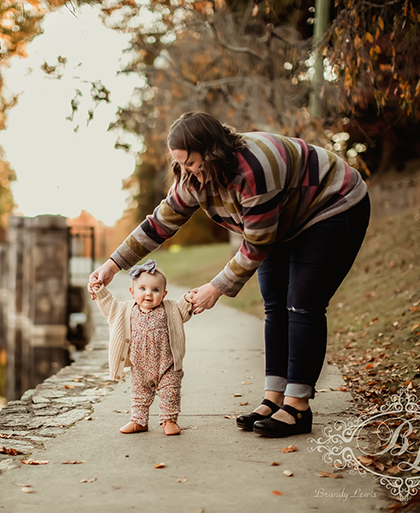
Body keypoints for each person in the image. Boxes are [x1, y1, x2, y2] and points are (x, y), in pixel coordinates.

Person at [88, 111, 370, 438]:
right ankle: (273, 399)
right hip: (284, 219)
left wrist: (216, 287)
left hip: (331, 204)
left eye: (191, 162)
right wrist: (112, 265)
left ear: (210, 151)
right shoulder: (192, 179)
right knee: (274, 304)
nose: (186, 170)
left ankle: (297, 408)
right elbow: (158, 224)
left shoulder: (254, 170)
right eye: (179, 164)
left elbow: (257, 242)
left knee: (302, 303)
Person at [92, 259, 195, 436]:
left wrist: (187, 299)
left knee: (170, 393)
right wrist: (100, 291)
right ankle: (138, 421)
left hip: (167, 365)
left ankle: (169, 420)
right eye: (143, 289)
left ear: (164, 294)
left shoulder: (169, 308)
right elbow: (109, 305)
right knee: (139, 395)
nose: (148, 294)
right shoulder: (125, 310)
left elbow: (183, 311)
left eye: (155, 290)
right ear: (132, 292)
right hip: (140, 367)